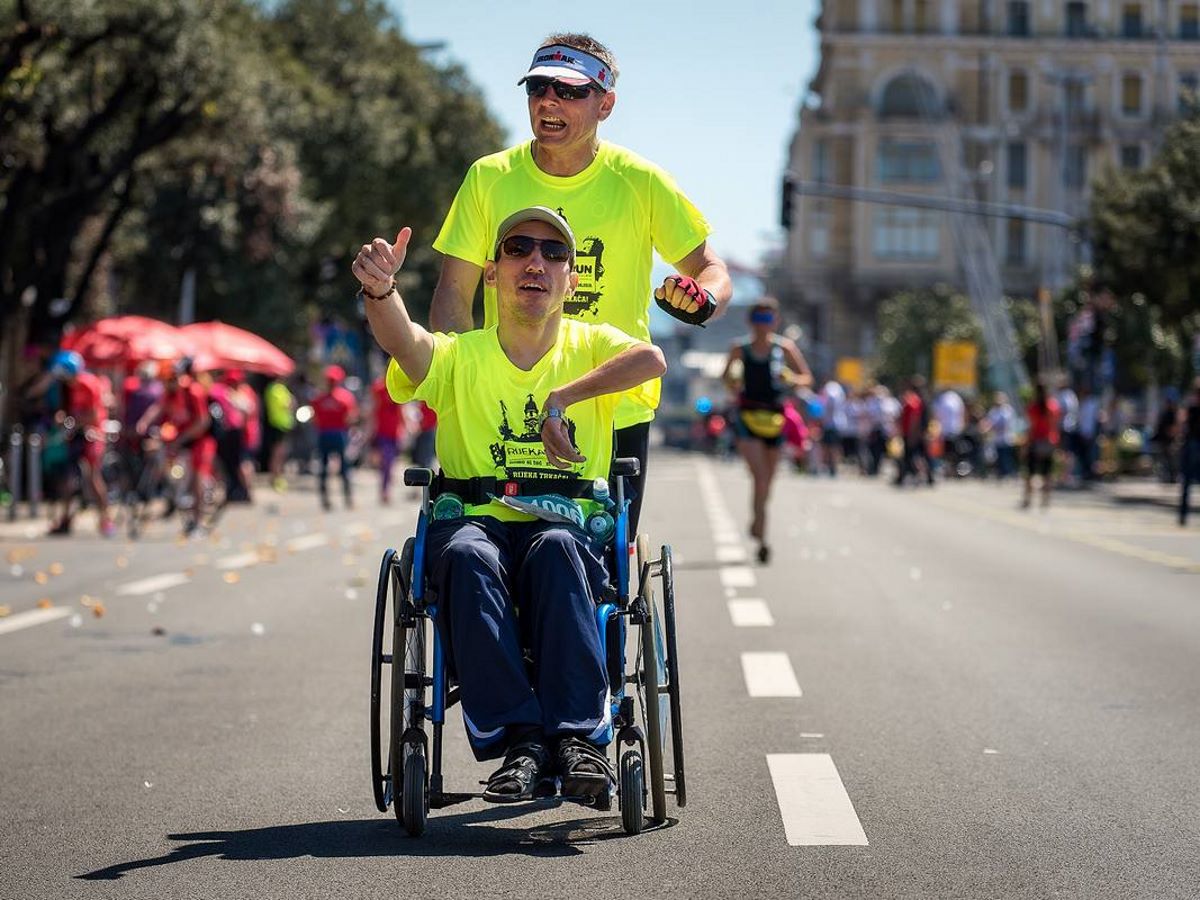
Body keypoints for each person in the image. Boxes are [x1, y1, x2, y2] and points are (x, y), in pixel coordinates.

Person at [354, 206, 665, 802]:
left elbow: (651, 360)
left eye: (554, 254)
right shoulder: (460, 355)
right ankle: (520, 740)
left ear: (571, 280)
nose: (536, 262)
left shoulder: (592, 343)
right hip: (474, 522)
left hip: (566, 525)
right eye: (519, 248)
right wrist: (382, 291)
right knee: (467, 557)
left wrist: (562, 399)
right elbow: (408, 343)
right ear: (492, 273)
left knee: (555, 548)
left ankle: (577, 740)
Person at [428, 32, 732, 533]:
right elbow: (454, 295)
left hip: (613, 403)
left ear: (605, 103)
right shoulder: (488, 178)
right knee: (485, 545)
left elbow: (711, 271)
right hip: (501, 403)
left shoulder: (640, 180)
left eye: (570, 91)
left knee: (597, 569)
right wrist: (458, 382)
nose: (549, 100)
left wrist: (703, 299)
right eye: (539, 88)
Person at [721, 298, 812, 563]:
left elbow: (806, 377)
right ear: (751, 322)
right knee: (760, 476)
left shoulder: (784, 348)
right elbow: (726, 378)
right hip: (748, 417)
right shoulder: (740, 348)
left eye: (768, 320)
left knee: (769, 480)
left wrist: (791, 378)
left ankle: (757, 519)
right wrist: (733, 379)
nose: (764, 325)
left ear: (776, 322)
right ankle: (762, 532)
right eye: (759, 320)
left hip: (775, 418)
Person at [29, 350, 115, 536]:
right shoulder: (68, 387)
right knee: (68, 478)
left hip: (92, 434)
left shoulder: (88, 384)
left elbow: (92, 415)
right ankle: (65, 519)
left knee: (93, 476)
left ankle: (105, 519)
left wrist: (73, 421)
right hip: (74, 433)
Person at [137, 360, 215, 535]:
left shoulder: (192, 391)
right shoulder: (171, 393)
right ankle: (171, 496)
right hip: (178, 439)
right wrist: (144, 422)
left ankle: (198, 522)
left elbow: (202, 422)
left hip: (199, 440)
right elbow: (158, 408)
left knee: (197, 479)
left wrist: (181, 438)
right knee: (158, 455)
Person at [312, 365, 358, 511]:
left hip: (325, 433)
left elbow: (315, 418)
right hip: (339, 434)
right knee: (343, 467)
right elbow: (351, 417)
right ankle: (347, 497)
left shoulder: (319, 398)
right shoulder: (345, 398)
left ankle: (326, 498)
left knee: (325, 467)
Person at [1022, 382, 1061, 509]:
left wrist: (1025, 444)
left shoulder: (1033, 407)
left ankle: (1028, 498)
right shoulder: (1053, 406)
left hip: (1035, 442)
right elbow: (1056, 424)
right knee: (1047, 473)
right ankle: (1046, 499)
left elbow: (1031, 427)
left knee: (1030, 472)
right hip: (1049, 442)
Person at [368, 374, 406, 505]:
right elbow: (374, 408)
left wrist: (405, 427)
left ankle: (386, 488)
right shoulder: (379, 389)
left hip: (395, 433)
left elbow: (401, 410)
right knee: (386, 462)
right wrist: (371, 429)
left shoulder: (399, 388)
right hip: (382, 432)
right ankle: (384, 490)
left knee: (390, 463)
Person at [263, 376, 296, 492]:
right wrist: (291, 402)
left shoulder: (280, 388)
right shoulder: (275, 389)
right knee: (277, 454)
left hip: (283, 425)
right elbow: (287, 404)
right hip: (277, 425)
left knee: (280, 454)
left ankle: (278, 477)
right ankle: (276, 478)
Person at [1179, 378, 1200, 526]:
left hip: (1192, 444)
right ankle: (1183, 514)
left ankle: (1183, 514)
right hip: (1193, 444)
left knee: (1186, 481)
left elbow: (1183, 424)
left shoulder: (1191, 407)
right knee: (1186, 482)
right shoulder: (1192, 407)